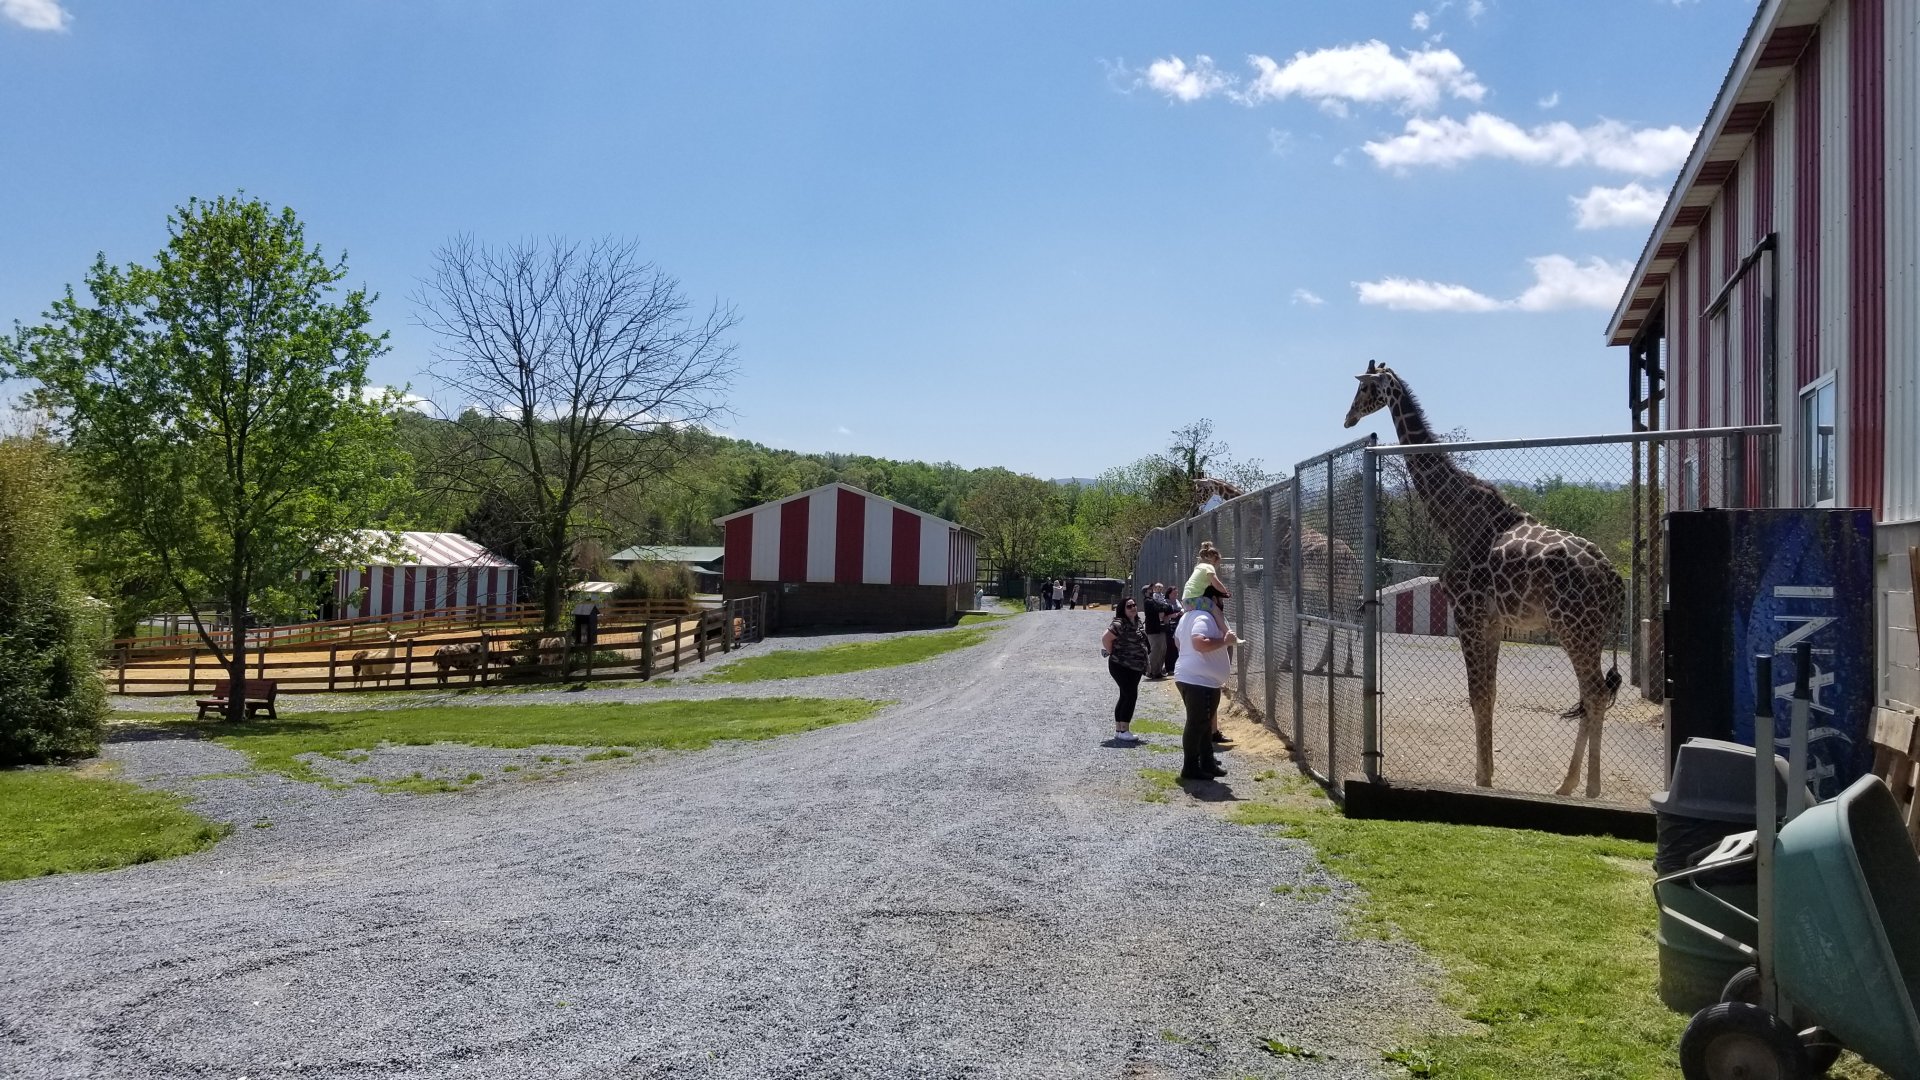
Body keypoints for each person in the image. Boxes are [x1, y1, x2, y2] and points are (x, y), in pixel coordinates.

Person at [1173, 553, 1239, 782]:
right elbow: (1198, 642)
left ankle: (1207, 762)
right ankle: (1190, 767)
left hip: (1200, 679)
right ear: (1214, 598)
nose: (1222, 604)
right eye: (1221, 599)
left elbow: (1178, 641)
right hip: (1196, 680)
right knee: (1197, 723)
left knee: (1204, 723)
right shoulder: (1203, 616)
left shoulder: (1189, 615)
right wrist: (1224, 642)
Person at [1100, 597, 1150, 742]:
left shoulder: (1138, 621)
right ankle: (1124, 730)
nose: (1133, 608)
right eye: (1129, 606)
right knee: (1130, 695)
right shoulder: (1119, 623)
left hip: (1135, 666)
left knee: (1125, 695)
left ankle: (1119, 729)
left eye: (1134, 605)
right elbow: (1105, 638)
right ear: (1123, 609)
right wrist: (1112, 652)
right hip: (1121, 665)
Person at [1141, 583, 1173, 679]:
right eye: (1150, 589)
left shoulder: (1155, 600)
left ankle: (1158, 671)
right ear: (1146, 592)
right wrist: (1164, 608)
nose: (1152, 590)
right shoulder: (1148, 601)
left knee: (1162, 650)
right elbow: (1158, 608)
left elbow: (1168, 608)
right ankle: (1150, 671)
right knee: (1155, 651)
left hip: (1161, 628)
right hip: (1153, 630)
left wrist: (1164, 608)